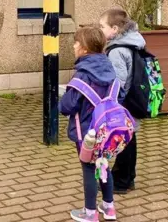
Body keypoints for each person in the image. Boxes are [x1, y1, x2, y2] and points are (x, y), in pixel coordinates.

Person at [60, 26, 118, 222]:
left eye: (76, 43)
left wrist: (62, 99)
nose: (74, 46)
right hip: (108, 131)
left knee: (89, 168)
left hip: (86, 133)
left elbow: (67, 106)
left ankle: (90, 212)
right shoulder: (111, 71)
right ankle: (109, 208)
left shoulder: (82, 75)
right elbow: (120, 97)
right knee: (104, 165)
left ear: (84, 49)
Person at [99, 8, 146, 194]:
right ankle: (128, 177)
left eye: (103, 26)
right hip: (134, 99)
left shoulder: (117, 51)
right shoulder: (135, 43)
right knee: (130, 138)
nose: (100, 29)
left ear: (115, 29)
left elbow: (118, 81)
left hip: (123, 102)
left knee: (124, 142)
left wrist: (112, 105)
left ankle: (122, 181)